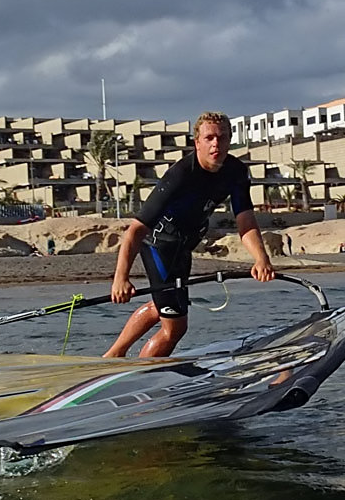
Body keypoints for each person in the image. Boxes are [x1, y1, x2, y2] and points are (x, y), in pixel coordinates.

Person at [103, 111, 275, 358]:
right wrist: (121, 278)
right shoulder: (181, 175)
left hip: (183, 248)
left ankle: (113, 357)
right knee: (174, 328)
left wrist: (261, 259)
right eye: (209, 138)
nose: (216, 144)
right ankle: (139, 374)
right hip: (159, 246)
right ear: (198, 143)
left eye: (222, 138)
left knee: (164, 305)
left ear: (229, 141)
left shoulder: (235, 171)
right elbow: (135, 230)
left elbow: (245, 219)